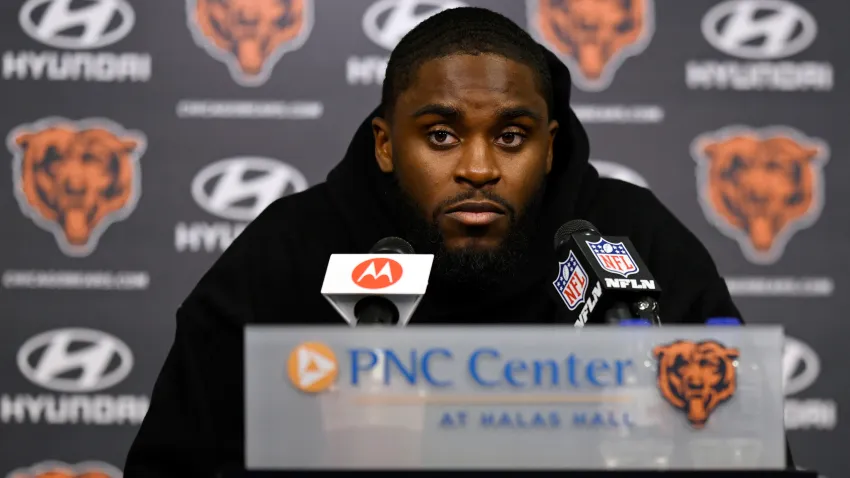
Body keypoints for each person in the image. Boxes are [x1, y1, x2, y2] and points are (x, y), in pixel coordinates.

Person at [124, 6, 793, 475]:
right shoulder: (290, 250)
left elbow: (752, 452)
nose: (478, 168)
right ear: (386, 145)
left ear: (550, 146)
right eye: (441, 136)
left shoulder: (633, 239)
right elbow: (173, 463)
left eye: (511, 136)